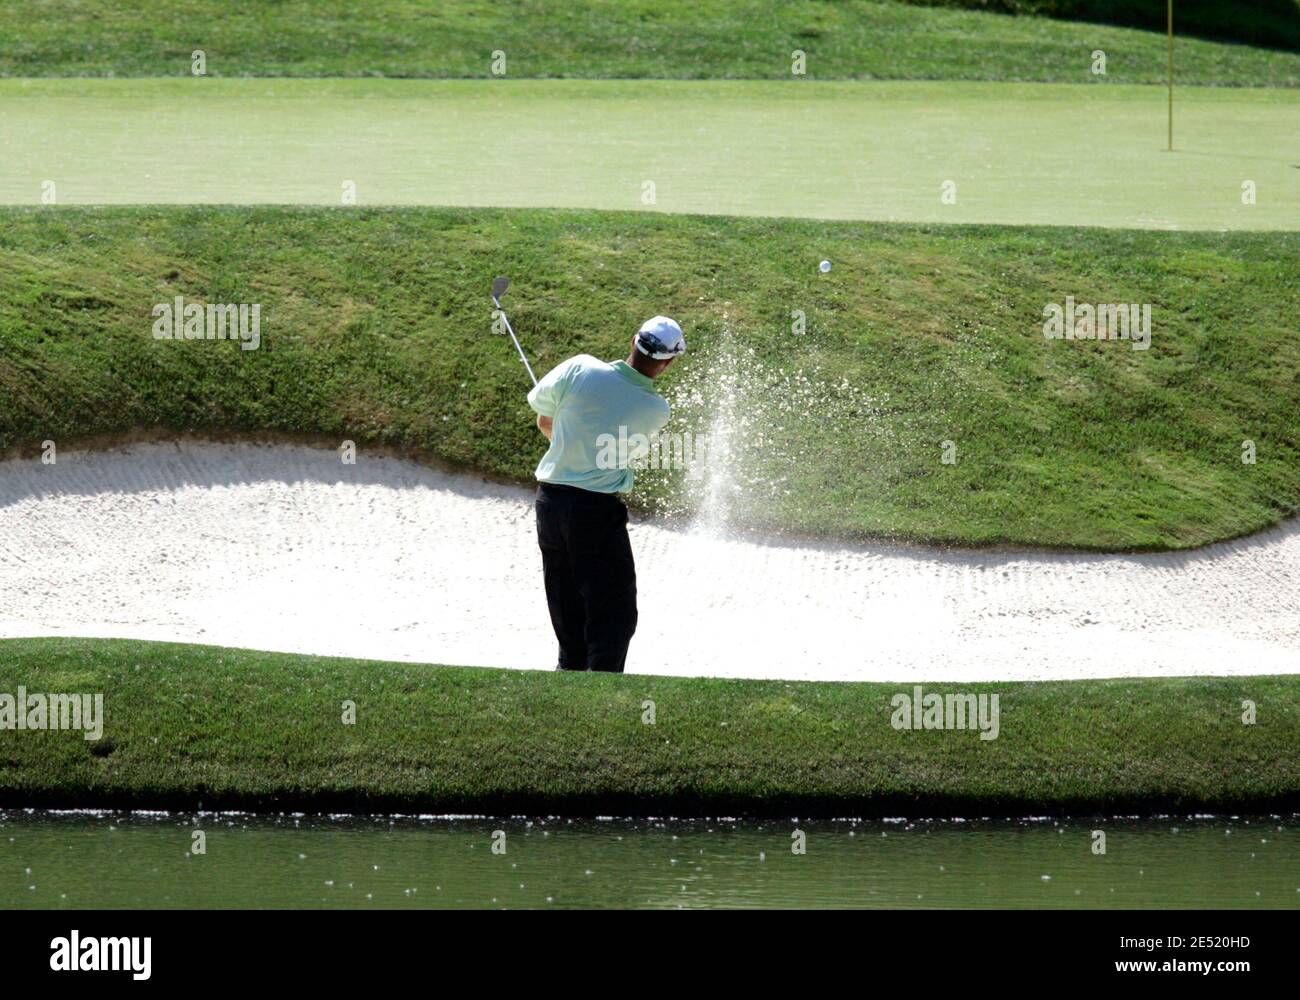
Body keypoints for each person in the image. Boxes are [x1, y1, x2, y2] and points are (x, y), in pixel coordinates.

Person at [526, 316, 685, 672]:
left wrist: (569, 440)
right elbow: (614, 454)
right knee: (614, 613)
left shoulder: (579, 367)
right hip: (594, 512)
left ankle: (568, 677)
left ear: (633, 341)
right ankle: (602, 692)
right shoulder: (654, 410)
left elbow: (543, 419)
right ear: (667, 363)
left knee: (567, 604)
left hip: (549, 505)